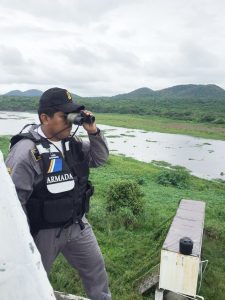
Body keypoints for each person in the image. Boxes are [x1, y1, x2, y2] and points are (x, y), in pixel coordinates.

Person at [5, 87, 111, 300]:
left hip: (77, 225)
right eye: (65, 117)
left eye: (72, 117)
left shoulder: (73, 144)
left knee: (96, 271)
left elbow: (99, 159)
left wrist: (93, 131)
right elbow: (14, 205)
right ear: (45, 117)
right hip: (43, 232)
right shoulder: (26, 152)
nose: (70, 123)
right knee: (33, 280)